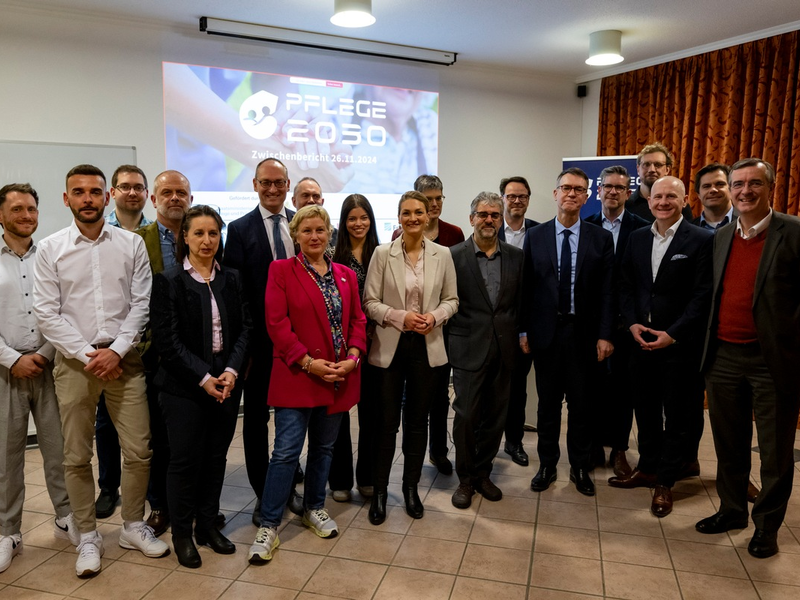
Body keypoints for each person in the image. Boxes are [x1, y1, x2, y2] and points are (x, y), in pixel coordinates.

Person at [33, 165, 168, 577]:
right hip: (75, 364)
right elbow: (46, 312)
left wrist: (117, 350)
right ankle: (89, 535)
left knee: (139, 450)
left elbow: (141, 303)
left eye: (94, 192)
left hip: (125, 360)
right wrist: (87, 354)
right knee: (76, 455)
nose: (87, 199)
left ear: (106, 197)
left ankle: (132, 526)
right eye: (79, 192)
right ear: (66, 199)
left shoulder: (131, 243)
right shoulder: (50, 248)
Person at [248, 205, 366, 564]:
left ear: (329, 233)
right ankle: (269, 523)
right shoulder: (281, 270)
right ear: (295, 235)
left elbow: (358, 320)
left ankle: (314, 507)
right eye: (307, 230)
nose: (314, 236)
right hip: (299, 375)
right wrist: (308, 362)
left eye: (320, 230)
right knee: (285, 453)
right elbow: (276, 324)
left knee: (324, 449)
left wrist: (353, 357)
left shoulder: (346, 274)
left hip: (337, 375)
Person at [696, 158, 800, 559]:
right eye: (738, 184)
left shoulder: (793, 232)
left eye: (754, 183)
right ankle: (732, 510)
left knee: (774, 453)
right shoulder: (722, 236)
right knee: (729, 444)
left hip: (771, 361)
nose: (745, 191)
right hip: (723, 355)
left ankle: (766, 527)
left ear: (770, 187)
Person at [150, 205, 250, 568]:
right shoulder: (169, 281)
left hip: (226, 384)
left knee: (215, 457)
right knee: (184, 461)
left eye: (213, 233)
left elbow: (246, 329)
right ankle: (182, 534)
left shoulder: (232, 278)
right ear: (185, 237)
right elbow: (167, 341)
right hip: (184, 388)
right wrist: (205, 378)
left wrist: (232, 371)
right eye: (199, 233)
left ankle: (207, 525)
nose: (207, 240)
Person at [609, 176, 713, 518]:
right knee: (645, 411)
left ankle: (665, 481)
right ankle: (647, 467)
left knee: (678, 416)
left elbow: (702, 296)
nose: (663, 202)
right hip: (640, 341)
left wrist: (673, 333)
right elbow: (625, 284)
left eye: (671, 196)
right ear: (648, 200)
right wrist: (631, 323)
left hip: (679, 346)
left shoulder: (701, 239)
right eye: (658, 196)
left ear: (684, 201)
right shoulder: (638, 237)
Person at [363, 191, 459, 524]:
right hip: (390, 347)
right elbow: (370, 303)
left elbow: (452, 300)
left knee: (418, 423)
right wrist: (399, 316)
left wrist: (435, 316)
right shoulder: (382, 253)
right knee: (386, 424)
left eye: (419, 212)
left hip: (427, 347)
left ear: (428, 215)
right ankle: (379, 493)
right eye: (406, 213)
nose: (413, 218)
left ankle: (410, 489)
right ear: (399, 217)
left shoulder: (443, 254)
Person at [0, 183, 80, 574]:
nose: (26, 215)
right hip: (4, 370)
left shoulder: (51, 255)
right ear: (1, 215)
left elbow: (65, 310)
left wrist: (44, 354)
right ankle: (8, 532)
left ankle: (66, 516)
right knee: (6, 457)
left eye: (31, 209)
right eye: (17, 209)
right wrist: (13, 359)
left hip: (50, 366)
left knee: (60, 451)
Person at [522, 168, 614, 497]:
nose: (571, 194)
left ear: (587, 197)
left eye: (578, 189)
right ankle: (547, 465)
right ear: (555, 193)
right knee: (547, 407)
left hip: (583, 335)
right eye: (566, 188)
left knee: (581, 406)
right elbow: (526, 288)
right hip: (545, 335)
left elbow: (607, 291)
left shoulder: (600, 238)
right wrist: (523, 330)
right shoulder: (536, 235)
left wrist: (606, 334)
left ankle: (579, 466)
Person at [223, 157, 303, 526]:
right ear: (255, 185)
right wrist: (246, 350)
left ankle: (287, 487)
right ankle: (263, 493)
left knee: (293, 420)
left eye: (279, 182)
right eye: (265, 183)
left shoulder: (301, 225)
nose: (272, 189)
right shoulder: (239, 229)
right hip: (259, 348)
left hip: (300, 345)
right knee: (256, 422)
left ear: (288, 185)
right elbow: (236, 293)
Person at [449, 192, 523, 509]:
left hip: (504, 348)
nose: (489, 219)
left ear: (501, 218)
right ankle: (465, 479)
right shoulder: (453, 256)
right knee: (466, 415)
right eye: (483, 214)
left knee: (495, 416)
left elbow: (521, 302)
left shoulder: (516, 257)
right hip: (468, 347)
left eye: (494, 214)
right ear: (472, 219)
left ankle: (483, 473)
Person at [392, 175, 464, 475]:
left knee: (439, 396)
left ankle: (438, 451)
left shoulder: (454, 234)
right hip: (406, 332)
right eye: (428, 199)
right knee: (410, 398)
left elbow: (454, 287)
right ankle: (412, 454)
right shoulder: (399, 235)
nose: (434, 204)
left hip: (441, 330)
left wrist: (437, 316)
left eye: (438, 198)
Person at [136, 170, 194, 536]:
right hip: (153, 356)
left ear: (190, 198)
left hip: (196, 356)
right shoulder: (135, 240)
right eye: (167, 192)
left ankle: (192, 504)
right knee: (158, 438)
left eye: (181, 192)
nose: (175, 198)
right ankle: (160, 506)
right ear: (154, 199)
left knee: (192, 438)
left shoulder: (201, 235)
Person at [95, 164, 153, 520]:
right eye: (125, 186)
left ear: (146, 193)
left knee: (145, 426)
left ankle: (146, 490)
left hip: (149, 343)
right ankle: (108, 486)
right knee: (105, 422)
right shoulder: (99, 233)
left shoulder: (155, 234)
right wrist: (113, 348)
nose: (132, 192)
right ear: (112, 193)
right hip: (107, 347)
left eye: (138, 187)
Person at [584, 166, 649, 476]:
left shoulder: (642, 228)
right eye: (607, 186)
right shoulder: (586, 225)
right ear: (598, 191)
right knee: (592, 387)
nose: (612, 192)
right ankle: (594, 444)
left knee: (624, 390)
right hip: (591, 322)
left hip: (627, 324)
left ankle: (620, 449)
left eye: (619, 187)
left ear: (628, 192)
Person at [328, 194, 381, 502]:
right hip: (342, 346)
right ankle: (340, 479)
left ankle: (368, 477)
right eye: (352, 218)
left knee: (372, 413)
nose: (358, 223)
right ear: (343, 222)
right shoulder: (334, 257)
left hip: (377, 344)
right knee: (339, 414)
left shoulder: (382, 253)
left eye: (363, 218)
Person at [498, 176, 539, 466]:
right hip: (493, 324)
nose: (516, 201)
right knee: (489, 387)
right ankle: (485, 441)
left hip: (524, 325)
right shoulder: (488, 227)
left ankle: (514, 442)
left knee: (517, 389)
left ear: (528, 199)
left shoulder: (540, 232)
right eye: (511, 196)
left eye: (522, 196)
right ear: (502, 198)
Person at [626, 143, 693, 223]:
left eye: (658, 165)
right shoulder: (626, 205)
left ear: (667, 170)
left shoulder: (679, 204)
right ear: (638, 169)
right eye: (646, 164)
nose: (651, 170)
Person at [291, 177, 338, 247]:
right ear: (294, 201)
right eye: (305, 195)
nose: (311, 200)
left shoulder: (336, 236)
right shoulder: (286, 232)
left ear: (322, 202)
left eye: (316, 196)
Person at [692, 163, 737, 231]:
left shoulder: (747, 222)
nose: (713, 190)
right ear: (698, 194)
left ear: (731, 189)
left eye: (719, 184)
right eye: (706, 186)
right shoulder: (687, 229)